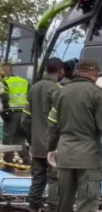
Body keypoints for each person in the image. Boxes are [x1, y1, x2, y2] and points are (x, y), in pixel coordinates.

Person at [47, 59, 102, 212]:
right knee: (87, 203)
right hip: (88, 158)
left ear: (78, 72)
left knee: (64, 203)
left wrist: (51, 149)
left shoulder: (60, 92)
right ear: (95, 74)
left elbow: (52, 125)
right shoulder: (98, 93)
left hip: (65, 156)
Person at [21, 58, 64, 212]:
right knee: (54, 179)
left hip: (37, 145)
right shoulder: (58, 90)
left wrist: (32, 140)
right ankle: (53, 208)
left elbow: (25, 120)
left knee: (37, 179)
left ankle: (33, 208)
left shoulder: (33, 88)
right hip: (54, 146)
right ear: (61, 71)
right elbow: (60, 121)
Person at [0, 62, 31, 167]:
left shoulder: (5, 82)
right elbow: (30, 96)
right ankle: (27, 159)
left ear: (4, 71)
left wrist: (6, 109)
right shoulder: (24, 81)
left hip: (11, 114)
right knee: (19, 138)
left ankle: (8, 161)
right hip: (23, 113)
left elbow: (4, 96)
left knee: (8, 138)